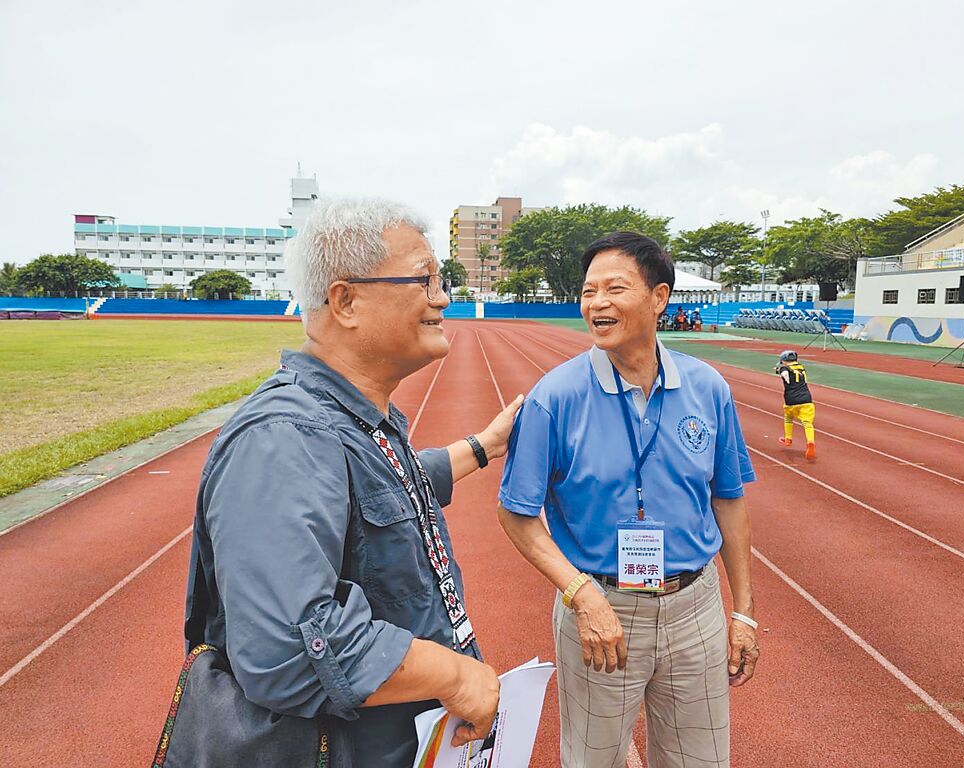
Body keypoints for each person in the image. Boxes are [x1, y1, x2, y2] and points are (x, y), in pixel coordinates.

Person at [186, 198, 524, 766]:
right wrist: (453, 673)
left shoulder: (359, 422)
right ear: (345, 301)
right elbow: (289, 650)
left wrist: (483, 448)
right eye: (425, 279)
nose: (443, 297)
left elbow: (390, 489)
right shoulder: (285, 439)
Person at [497, 231, 759, 768]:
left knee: (702, 759)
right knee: (594, 760)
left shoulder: (709, 388)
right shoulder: (556, 397)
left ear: (659, 297)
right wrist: (582, 596)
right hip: (601, 609)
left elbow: (728, 499)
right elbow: (516, 513)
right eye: (588, 291)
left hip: (695, 606)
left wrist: (745, 613)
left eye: (614, 288)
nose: (597, 303)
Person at [775, 349, 816, 460]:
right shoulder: (801, 367)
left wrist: (781, 372)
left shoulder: (784, 368)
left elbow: (784, 373)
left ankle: (788, 438)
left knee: (788, 418)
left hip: (791, 399)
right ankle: (810, 442)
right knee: (807, 423)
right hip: (806, 399)